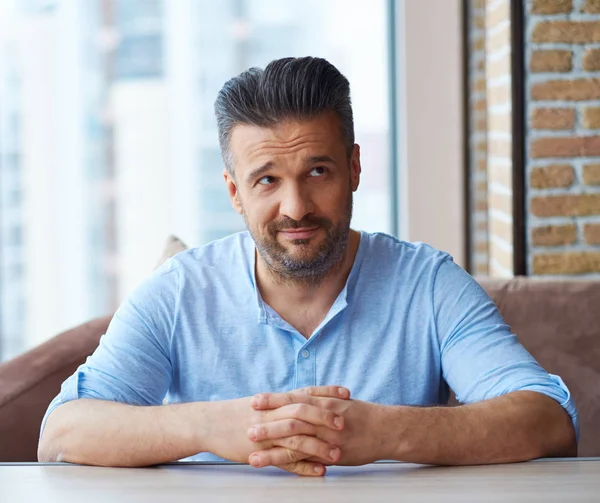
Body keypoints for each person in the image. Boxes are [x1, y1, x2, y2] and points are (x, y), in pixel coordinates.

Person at [38, 57, 578, 477]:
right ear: (234, 192)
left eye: (317, 170)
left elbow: (549, 419)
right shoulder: (178, 291)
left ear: (354, 167)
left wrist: (385, 433)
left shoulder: (429, 284)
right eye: (267, 179)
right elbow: (62, 435)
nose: (295, 207)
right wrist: (212, 424)